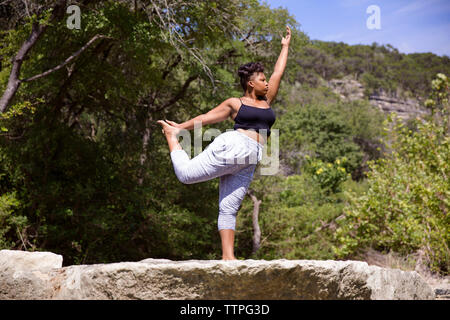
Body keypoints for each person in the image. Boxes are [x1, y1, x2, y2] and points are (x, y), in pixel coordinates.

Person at [157, 26, 291, 260]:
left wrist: (285, 47)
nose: (267, 82)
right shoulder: (235, 103)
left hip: (251, 158)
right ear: (251, 83)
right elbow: (204, 119)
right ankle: (171, 137)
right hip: (234, 146)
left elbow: (278, 74)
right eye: (262, 79)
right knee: (186, 175)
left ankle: (228, 258)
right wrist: (179, 127)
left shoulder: (267, 100)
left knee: (229, 208)